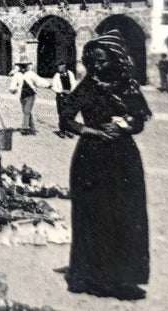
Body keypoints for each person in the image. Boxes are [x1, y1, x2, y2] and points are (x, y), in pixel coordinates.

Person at [61, 29, 152, 300]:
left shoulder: (128, 86)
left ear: (115, 59)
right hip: (90, 158)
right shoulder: (87, 85)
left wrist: (123, 125)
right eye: (93, 61)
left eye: (102, 61)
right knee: (92, 214)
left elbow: (139, 118)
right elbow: (66, 118)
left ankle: (122, 278)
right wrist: (93, 132)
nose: (97, 66)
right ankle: (88, 275)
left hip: (123, 160)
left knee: (125, 214)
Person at [9, 57, 51, 135]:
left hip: (30, 95)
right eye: (21, 66)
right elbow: (13, 84)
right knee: (26, 111)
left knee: (26, 111)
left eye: (25, 65)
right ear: (19, 66)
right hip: (22, 95)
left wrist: (48, 85)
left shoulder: (31, 74)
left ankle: (24, 128)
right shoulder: (17, 74)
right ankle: (32, 128)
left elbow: (39, 80)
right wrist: (13, 89)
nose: (23, 67)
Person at [51, 60, 78, 138]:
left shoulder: (70, 74)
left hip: (70, 97)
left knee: (70, 114)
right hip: (61, 97)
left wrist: (71, 93)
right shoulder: (56, 75)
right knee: (61, 114)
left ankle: (69, 130)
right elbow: (53, 86)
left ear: (64, 66)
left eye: (60, 66)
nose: (58, 68)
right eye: (57, 66)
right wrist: (62, 91)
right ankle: (62, 130)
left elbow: (73, 84)